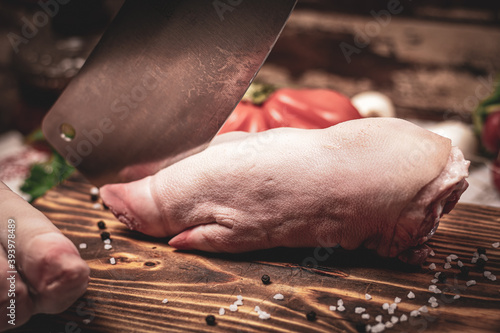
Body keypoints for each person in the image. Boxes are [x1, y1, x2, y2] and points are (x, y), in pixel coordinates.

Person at [0, 117, 470, 330]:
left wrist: (209, 238)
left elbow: (239, 231)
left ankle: (34, 239)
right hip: (428, 151)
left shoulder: (209, 211)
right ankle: (33, 239)